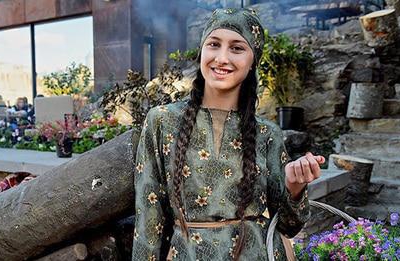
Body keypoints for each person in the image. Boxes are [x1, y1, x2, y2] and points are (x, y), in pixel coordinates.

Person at [132, 8, 325, 261]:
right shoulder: (162, 121)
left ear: (252, 60)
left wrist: (295, 186)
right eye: (214, 44)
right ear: (202, 50)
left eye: (237, 48)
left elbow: (290, 225)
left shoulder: (267, 133)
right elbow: (148, 216)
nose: (222, 58)